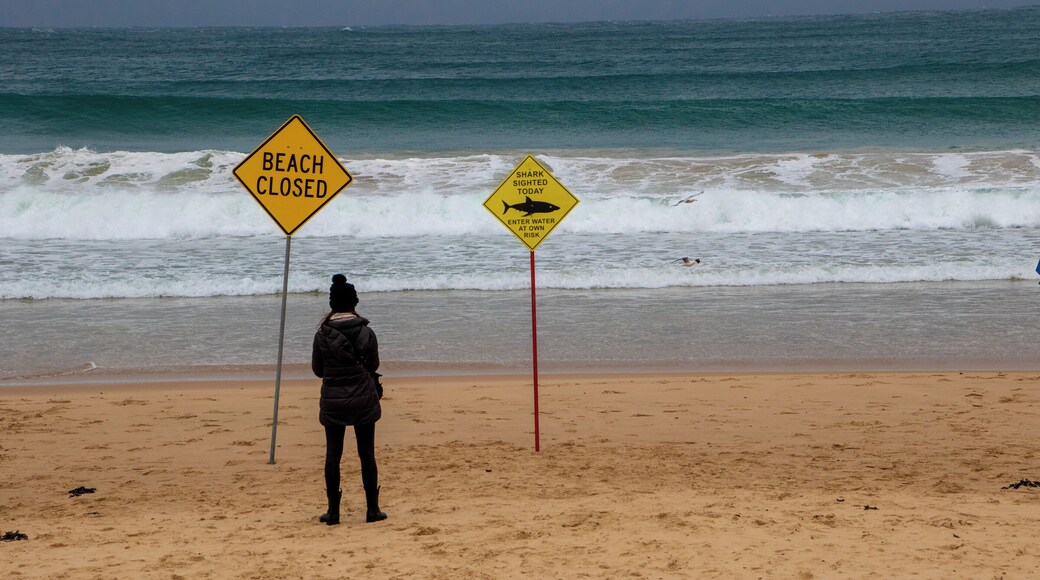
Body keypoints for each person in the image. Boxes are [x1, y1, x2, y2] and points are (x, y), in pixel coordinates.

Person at [312, 274, 387, 525]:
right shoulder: (367, 332)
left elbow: (318, 370)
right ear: (354, 302)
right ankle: (372, 510)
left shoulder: (322, 335)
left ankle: (333, 512)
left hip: (333, 400)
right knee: (367, 453)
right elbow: (374, 365)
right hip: (363, 399)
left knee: (333, 455)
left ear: (332, 304)